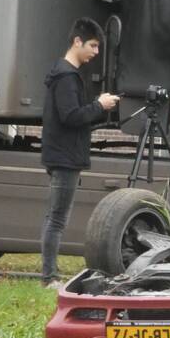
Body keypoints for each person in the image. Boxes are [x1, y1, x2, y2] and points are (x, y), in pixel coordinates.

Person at [40, 18, 120, 288]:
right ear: (77, 42)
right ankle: (49, 278)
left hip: (63, 154)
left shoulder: (64, 74)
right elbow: (71, 116)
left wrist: (99, 108)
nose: (96, 53)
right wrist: (99, 105)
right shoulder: (66, 77)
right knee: (57, 220)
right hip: (65, 157)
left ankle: (50, 275)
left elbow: (75, 117)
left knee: (55, 218)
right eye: (93, 46)